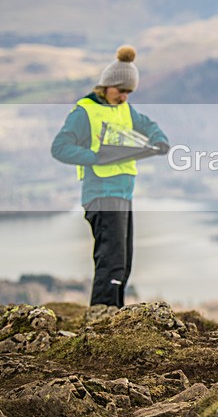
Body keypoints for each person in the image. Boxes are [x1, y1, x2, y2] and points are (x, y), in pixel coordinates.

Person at [51, 46, 169, 308]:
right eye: (121, 90)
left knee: (123, 264)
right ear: (106, 85)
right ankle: (101, 324)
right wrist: (94, 156)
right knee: (111, 264)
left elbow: (148, 125)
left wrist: (159, 140)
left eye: (129, 92)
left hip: (123, 195)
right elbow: (59, 148)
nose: (125, 96)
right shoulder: (85, 111)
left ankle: (114, 321)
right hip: (101, 195)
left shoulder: (124, 109)